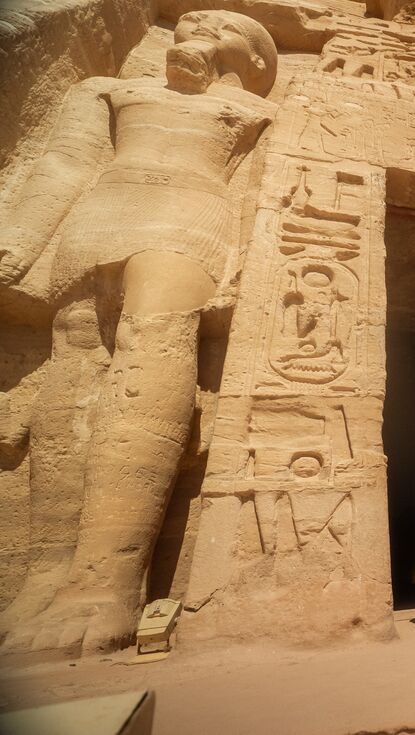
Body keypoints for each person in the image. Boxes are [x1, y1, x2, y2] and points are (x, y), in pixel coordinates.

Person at [0, 10, 279, 655]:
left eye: (216, 27)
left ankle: (108, 581)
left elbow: (269, 185)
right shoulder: (105, 91)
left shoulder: (254, 114)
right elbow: (62, 169)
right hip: (99, 214)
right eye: (189, 22)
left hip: (190, 218)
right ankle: (47, 570)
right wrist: (19, 238)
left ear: (254, 62)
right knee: (71, 366)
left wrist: (248, 271)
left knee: (153, 351)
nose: (194, 28)